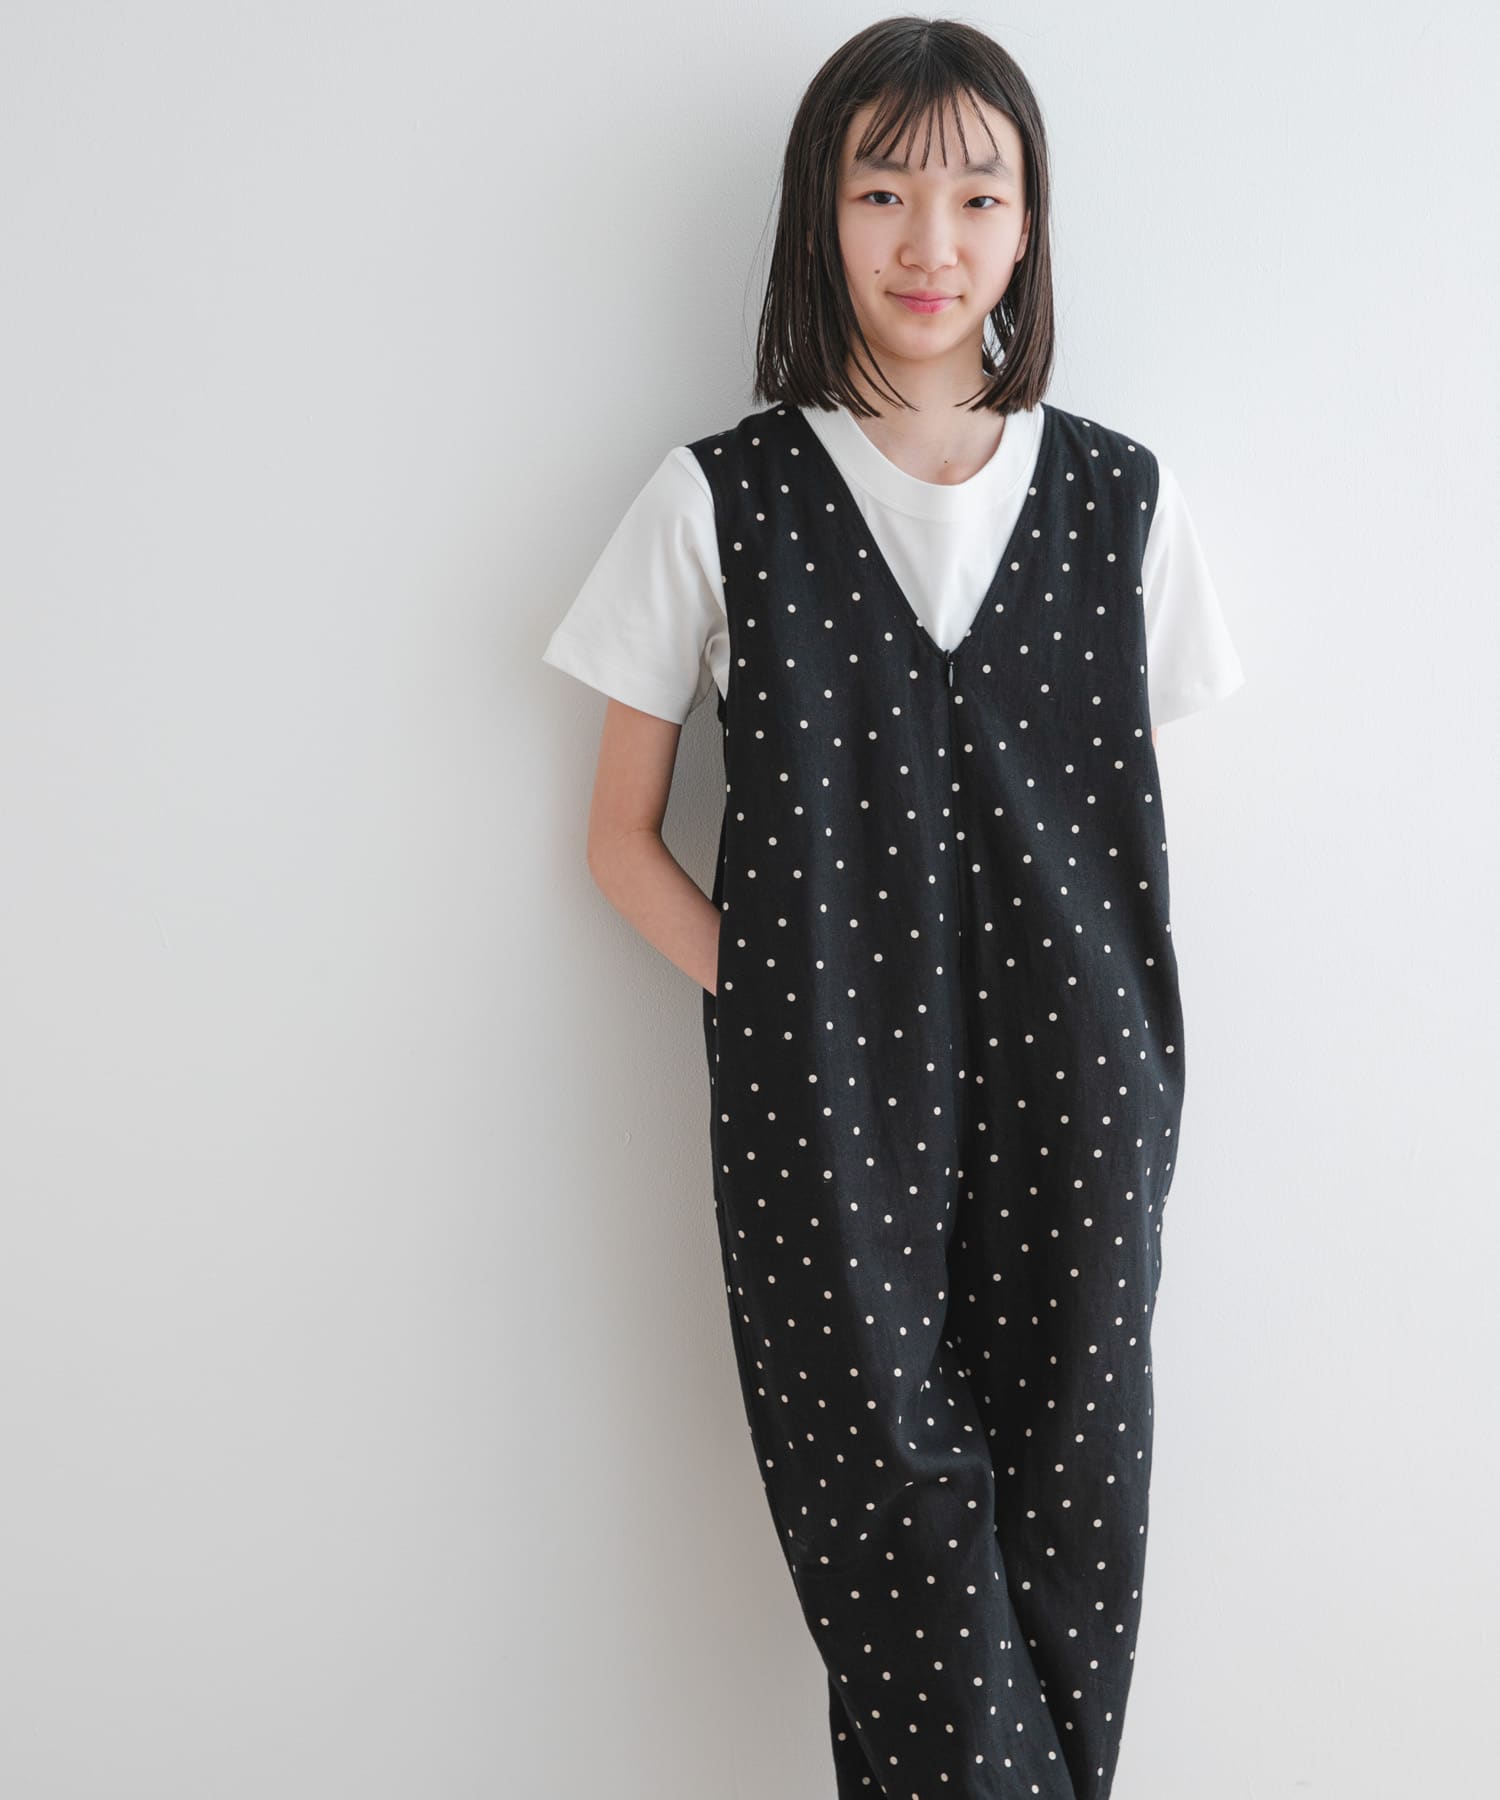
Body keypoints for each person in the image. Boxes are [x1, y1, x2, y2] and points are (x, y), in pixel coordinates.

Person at [542, 18, 1243, 1799]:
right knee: (903, 1546)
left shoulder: (1123, 502)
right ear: (819, 214)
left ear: (1028, 227)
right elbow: (618, 838)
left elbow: (1130, 831)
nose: (931, 242)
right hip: (823, 1116)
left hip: (1085, 1096)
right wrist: (779, 1004)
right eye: (882, 193)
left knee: (1073, 1556)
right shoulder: (718, 499)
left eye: (977, 196)